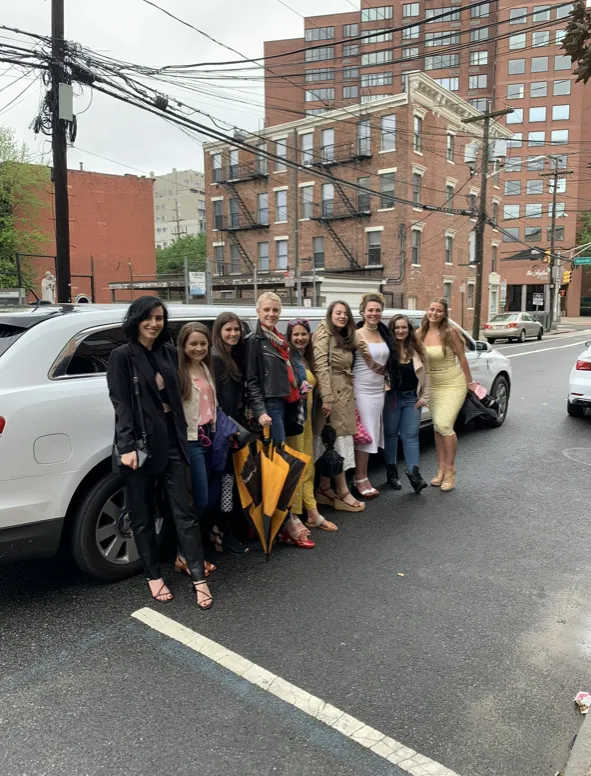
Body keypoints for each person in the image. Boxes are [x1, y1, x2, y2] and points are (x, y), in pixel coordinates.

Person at [107, 296, 212, 608]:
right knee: (142, 514)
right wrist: (126, 446)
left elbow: (182, 394)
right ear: (136, 319)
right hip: (139, 445)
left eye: (159, 318)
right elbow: (121, 403)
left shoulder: (168, 352)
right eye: (148, 317)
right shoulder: (121, 356)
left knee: (185, 512)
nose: (154, 323)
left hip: (172, 440)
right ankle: (153, 575)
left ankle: (197, 576)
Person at [245, 292, 314, 547]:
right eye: (267, 310)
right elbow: (252, 380)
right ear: (258, 311)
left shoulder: (281, 340)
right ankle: (288, 522)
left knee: (279, 464)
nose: (271, 314)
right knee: (279, 465)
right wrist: (260, 409)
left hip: (287, 402)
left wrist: (299, 384)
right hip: (270, 407)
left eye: (275, 310)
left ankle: (276, 520)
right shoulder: (254, 341)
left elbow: (289, 370)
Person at [418, 298, 476, 492]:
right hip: (432, 386)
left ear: (444, 314)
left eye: (439, 310)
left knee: (444, 425)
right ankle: (441, 468)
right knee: (437, 427)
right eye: (431, 309)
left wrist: (470, 383)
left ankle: (450, 469)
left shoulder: (450, 332)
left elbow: (462, 358)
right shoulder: (420, 333)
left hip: (452, 383)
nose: (434, 313)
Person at [286, 318, 338, 534]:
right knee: (295, 467)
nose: (300, 338)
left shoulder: (308, 359)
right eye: (295, 334)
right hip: (292, 422)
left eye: (303, 334)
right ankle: (294, 515)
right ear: (289, 337)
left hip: (307, 420)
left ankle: (312, 511)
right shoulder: (287, 359)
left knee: (308, 465)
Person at [313, 301, 365, 513]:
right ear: (330, 314)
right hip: (333, 394)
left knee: (332, 442)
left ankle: (325, 488)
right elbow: (321, 366)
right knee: (337, 440)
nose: (342, 316)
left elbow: (361, 344)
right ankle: (343, 492)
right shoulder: (324, 334)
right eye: (338, 313)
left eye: (345, 313)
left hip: (343, 391)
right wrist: (327, 397)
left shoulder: (343, 336)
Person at [210, 312, 249, 553]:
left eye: (236, 330)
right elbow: (215, 400)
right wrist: (229, 429)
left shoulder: (232, 356)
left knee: (231, 483)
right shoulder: (215, 359)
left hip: (232, 429)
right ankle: (223, 532)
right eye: (228, 330)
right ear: (218, 331)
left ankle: (224, 529)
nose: (233, 334)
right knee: (225, 484)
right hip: (224, 433)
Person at [352, 293, 396, 499]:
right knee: (365, 435)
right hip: (360, 391)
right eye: (370, 310)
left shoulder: (383, 334)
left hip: (379, 391)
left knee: (372, 434)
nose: (374, 313)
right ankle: (359, 478)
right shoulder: (355, 334)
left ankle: (363, 474)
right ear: (363, 311)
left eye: (377, 310)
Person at [383, 314, 430, 494]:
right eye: (397, 328)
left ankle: (414, 474)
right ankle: (391, 472)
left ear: (409, 329)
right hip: (392, 398)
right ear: (392, 330)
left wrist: (424, 397)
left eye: (404, 327)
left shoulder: (418, 349)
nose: (400, 331)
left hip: (412, 398)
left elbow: (428, 375)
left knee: (410, 436)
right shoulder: (387, 349)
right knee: (391, 435)